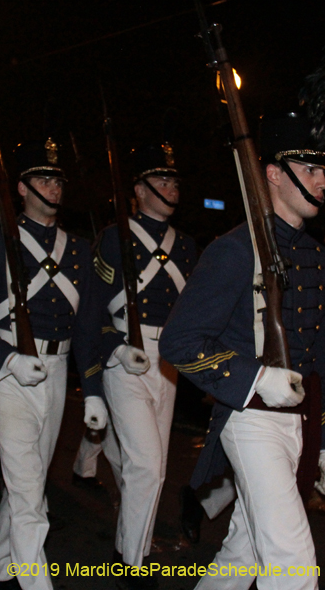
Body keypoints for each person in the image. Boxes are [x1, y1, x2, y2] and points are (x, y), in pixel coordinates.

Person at [160, 113, 325, 590]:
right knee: (293, 564)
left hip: (301, 422)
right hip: (252, 417)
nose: (324, 182)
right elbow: (179, 341)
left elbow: (323, 363)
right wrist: (257, 377)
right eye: (310, 170)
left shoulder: (319, 258)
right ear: (274, 175)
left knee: (243, 555)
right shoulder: (235, 251)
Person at [0, 137, 104, 590]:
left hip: (58, 372)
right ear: (21, 188)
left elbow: (86, 329)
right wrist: (5, 360)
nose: (55, 187)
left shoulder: (79, 250)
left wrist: (96, 393)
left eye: (58, 178)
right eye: (44, 178)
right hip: (12, 374)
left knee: (32, 481)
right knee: (29, 497)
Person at [92, 141, 196, 588]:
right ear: (139, 188)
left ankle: (125, 544)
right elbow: (93, 307)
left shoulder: (187, 245)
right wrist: (114, 347)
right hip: (124, 357)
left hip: (169, 360)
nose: (171, 187)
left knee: (153, 465)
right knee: (147, 465)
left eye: (175, 180)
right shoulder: (115, 236)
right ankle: (132, 566)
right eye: (162, 180)